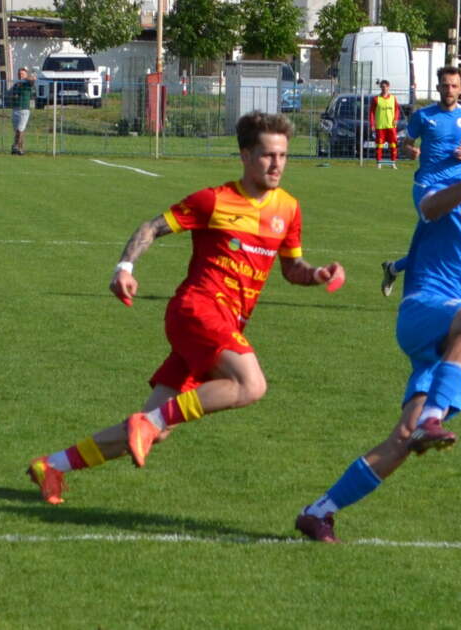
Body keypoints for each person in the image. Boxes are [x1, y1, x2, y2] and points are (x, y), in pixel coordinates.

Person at [26, 112, 346, 505]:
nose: (277, 164)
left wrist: (316, 274)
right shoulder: (214, 200)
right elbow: (151, 227)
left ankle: (52, 466)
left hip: (227, 323)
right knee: (251, 385)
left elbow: (292, 267)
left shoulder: (289, 209)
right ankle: (145, 423)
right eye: (267, 155)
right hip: (197, 310)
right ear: (246, 156)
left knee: (156, 429)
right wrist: (125, 267)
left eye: (283, 155)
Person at [295, 123, 461, 543]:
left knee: (404, 438)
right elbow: (429, 209)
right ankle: (433, 418)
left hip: (455, 343)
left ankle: (319, 511)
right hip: (423, 311)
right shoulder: (447, 193)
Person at [380, 66, 461, 297]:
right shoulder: (423, 116)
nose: (449, 90)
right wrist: (410, 151)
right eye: (445, 85)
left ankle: (394, 268)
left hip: (456, 189)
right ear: (438, 87)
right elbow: (406, 143)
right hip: (426, 187)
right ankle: (432, 293)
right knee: (443, 240)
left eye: (454, 86)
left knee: (440, 244)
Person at [368, 79, 400, 167]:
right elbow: (371, 112)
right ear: (380, 87)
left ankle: (393, 163)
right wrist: (372, 124)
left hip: (391, 126)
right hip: (380, 126)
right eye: (382, 87)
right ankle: (379, 163)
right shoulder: (376, 99)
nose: (384, 88)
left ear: (388, 87)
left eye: (385, 87)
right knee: (379, 145)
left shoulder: (393, 98)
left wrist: (396, 119)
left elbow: (397, 110)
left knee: (393, 145)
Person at [8, 67, 35, 155]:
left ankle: (15, 146)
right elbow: (13, 95)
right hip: (15, 109)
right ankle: (19, 149)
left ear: (26, 74)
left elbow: (33, 79)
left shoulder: (28, 83)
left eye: (22, 74)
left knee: (20, 129)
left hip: (24, 110)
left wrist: (26, 78)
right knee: (18, 131)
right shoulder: (16, 84)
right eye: (19, 74)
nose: (20, 75)